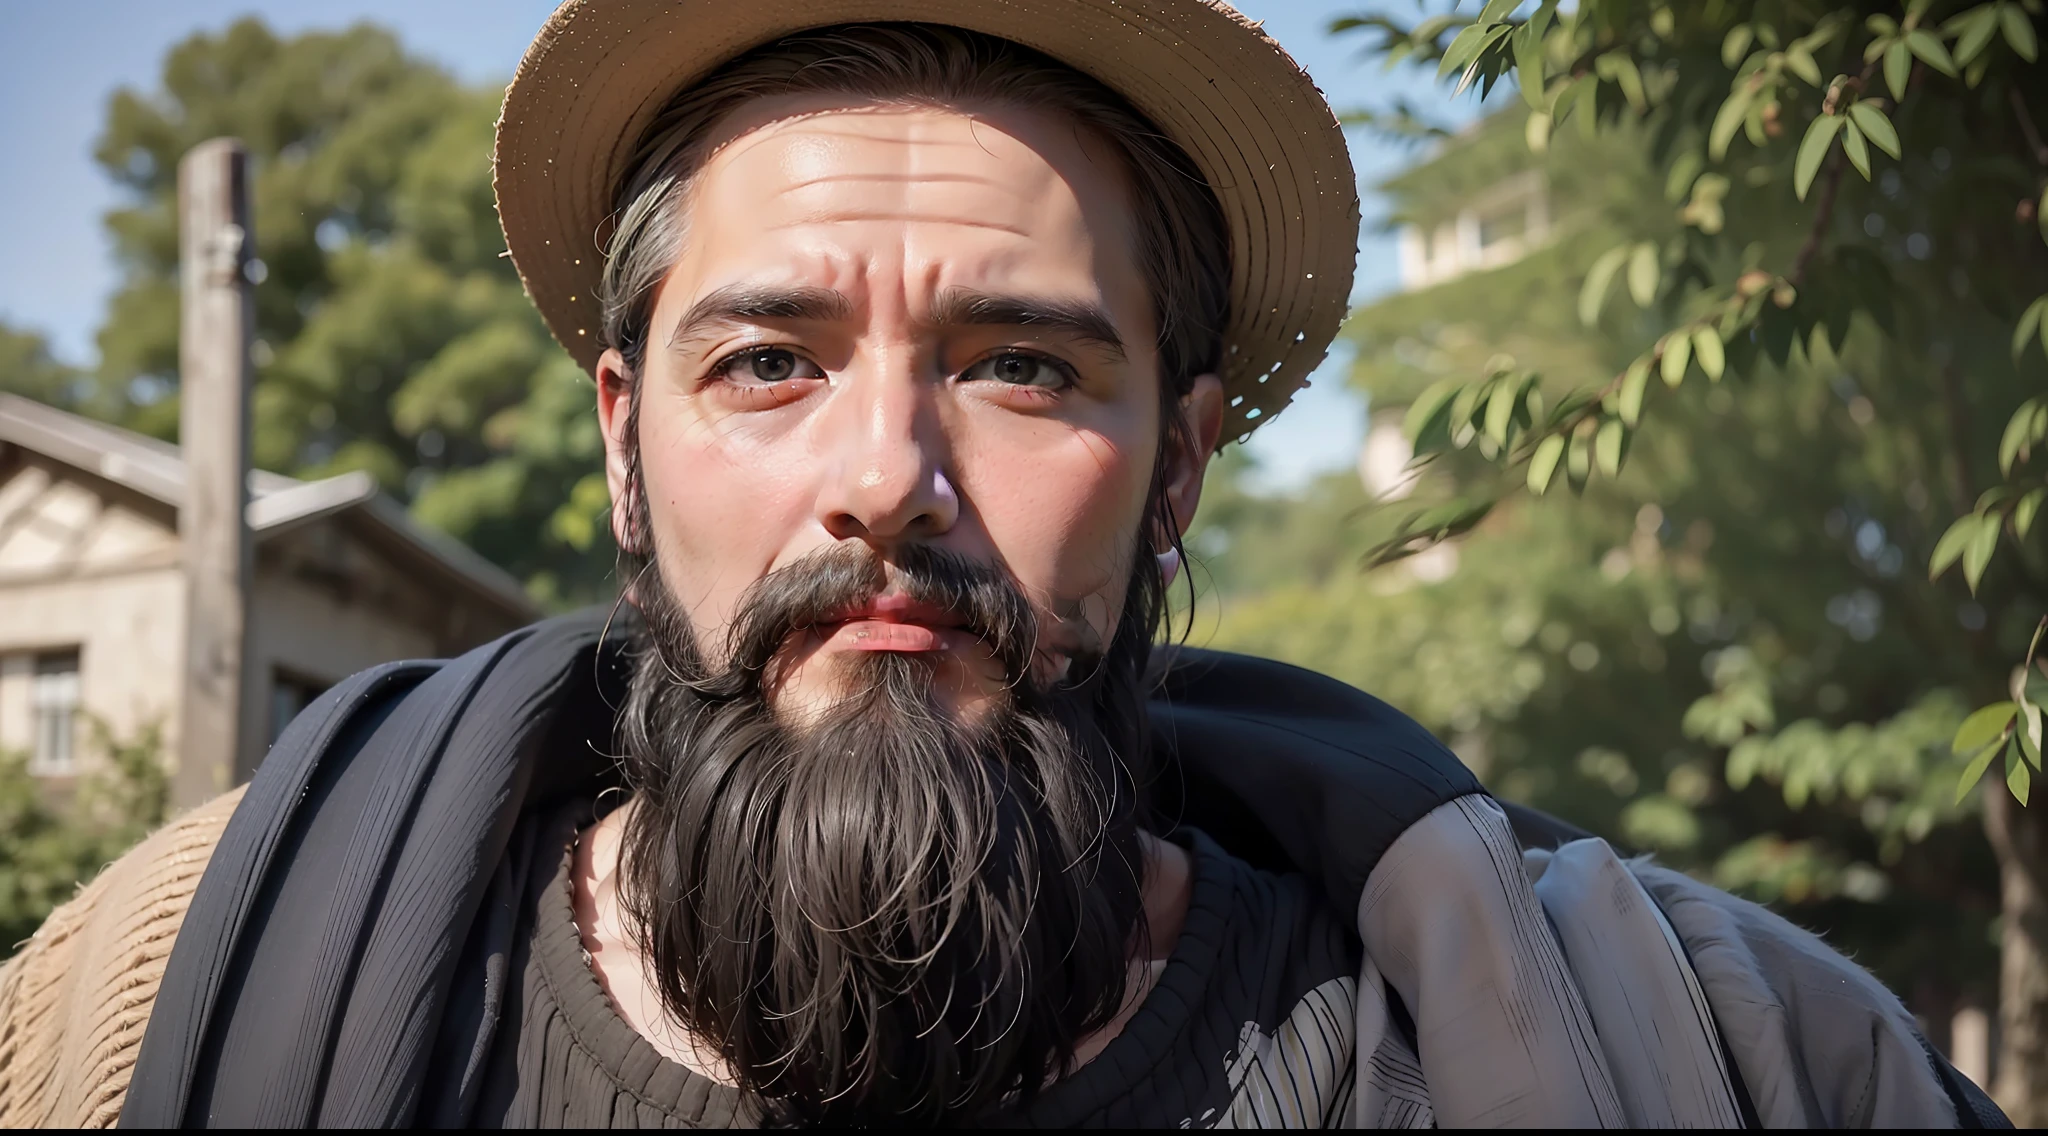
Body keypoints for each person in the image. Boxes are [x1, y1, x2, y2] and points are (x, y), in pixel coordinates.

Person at [0, 1, 2011, 1128]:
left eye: (1024, 366)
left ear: (1177, 470)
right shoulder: (148, 999)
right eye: (769, 361)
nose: (886, 476)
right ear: (626, 442)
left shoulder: (1696, 1054)